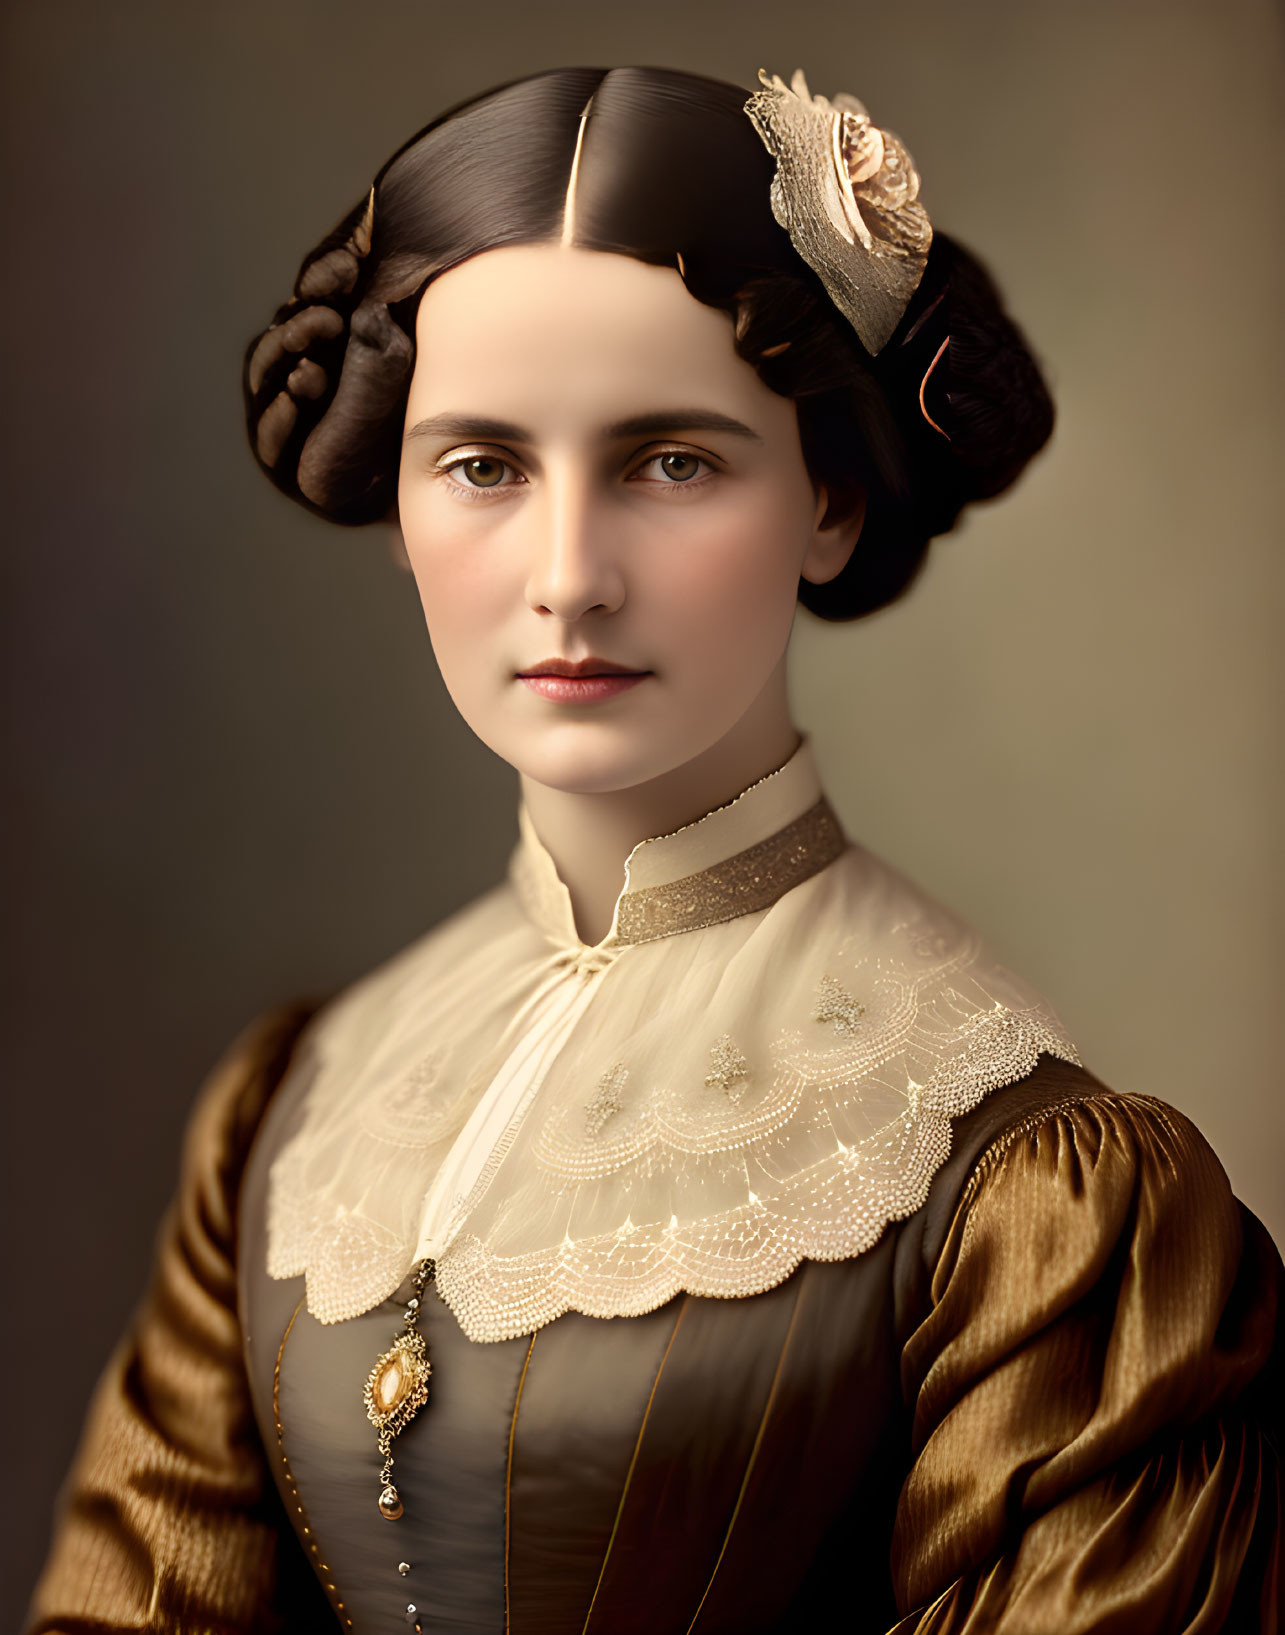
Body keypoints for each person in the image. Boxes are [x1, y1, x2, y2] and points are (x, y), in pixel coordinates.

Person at [27, 64, 1282, 1635]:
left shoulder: (1039, 1200)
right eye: (483, 465)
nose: (567, 577)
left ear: (825, 501)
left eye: (669, 463)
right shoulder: (292, 1113)